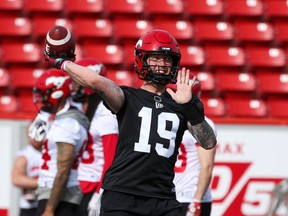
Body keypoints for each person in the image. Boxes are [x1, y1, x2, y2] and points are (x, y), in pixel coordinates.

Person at [45, 28, 217, 216]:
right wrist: (62, 63)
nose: (163, 64)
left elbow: (208, 142)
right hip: (123, 194)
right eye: (156, 58)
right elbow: (96, 81)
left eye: (168, 59)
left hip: (163, 198)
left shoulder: (182, 103)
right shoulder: (128, 97)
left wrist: (190, 107)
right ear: (141, 59)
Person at [33, 68, 90, 216]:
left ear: (57, 92)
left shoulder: (66, 124)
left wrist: (50, 209)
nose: (41, 99)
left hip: (60, 196)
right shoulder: (62, 118)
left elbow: (63, 171)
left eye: (44, 94)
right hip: (53, 192)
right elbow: (35, 140)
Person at [73, 58, 118, 216]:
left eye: (78, 80)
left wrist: (100, 192)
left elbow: (111, 159)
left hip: (92, 185)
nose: (74, 85)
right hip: (77, 184)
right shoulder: (80, 108)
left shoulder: (105, 114)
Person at [171, 78, 217, 216]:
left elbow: (207, 166)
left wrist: (196, 200)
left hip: (189, 195)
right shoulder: (168, 118)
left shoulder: (200, 124)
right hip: (170, 194)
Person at [11, 135, 42, 216]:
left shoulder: (52, 153)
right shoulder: (24, 155)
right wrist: (44, 183)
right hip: (29, 207)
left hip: (48, 205)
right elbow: (16, 179)